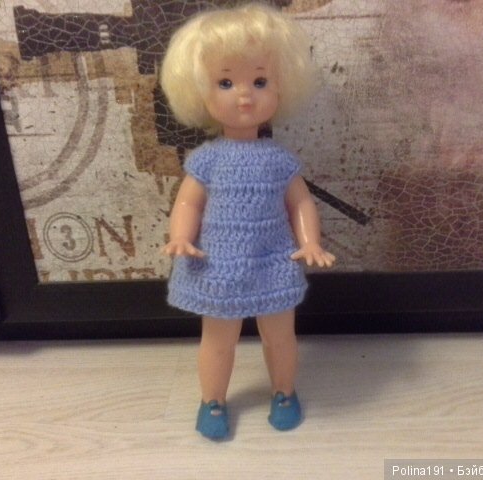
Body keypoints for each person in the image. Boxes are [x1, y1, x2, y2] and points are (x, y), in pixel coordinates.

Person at [160, 2, 335, 440]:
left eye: (260, 81)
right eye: (225, 82)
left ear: (282, 87)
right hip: (217, 263)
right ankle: (212, 401)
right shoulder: (207, 159)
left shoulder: (279, 160)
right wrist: (181, 237)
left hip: (273, 258)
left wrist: (309, 241)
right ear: (199, 91)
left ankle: (284, 393)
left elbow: (300, 203)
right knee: (219, 339)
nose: (244, 95)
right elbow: (188, 204)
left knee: (280, 336)